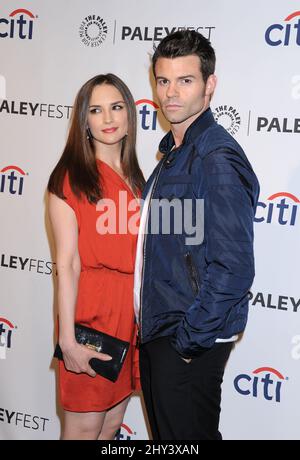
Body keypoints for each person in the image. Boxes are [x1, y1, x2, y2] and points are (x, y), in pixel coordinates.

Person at [134, 30, 260, 440]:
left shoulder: (214, 156)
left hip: (186, 339)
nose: (171, 93)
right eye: (163, 80)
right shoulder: (176, 151)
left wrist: (189, 341)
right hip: (165, 332)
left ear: (210, 85)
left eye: (185, 80)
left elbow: (235, 267)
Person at [48, 73, 145, 440]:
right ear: (83, 121)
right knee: (83, 428)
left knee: (110, 427)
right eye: (96, 110)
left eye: (116, 107)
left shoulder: (138, 180)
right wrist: (68, 342)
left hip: (129, 317)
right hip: (91, 316)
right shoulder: (70, 178)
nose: (108, 118)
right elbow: (67, 265)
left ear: (129, 114)